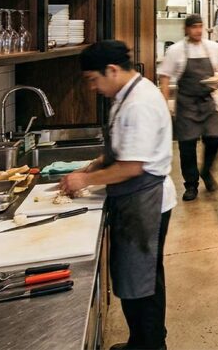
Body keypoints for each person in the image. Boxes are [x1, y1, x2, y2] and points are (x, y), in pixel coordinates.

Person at [61, 41, 176, 350]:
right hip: (137, 200)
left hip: (145, 202)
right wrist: (97, 163)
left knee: (143, 283)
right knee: (138, 279)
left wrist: (85, 180)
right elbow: (124, 149)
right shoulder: (128, 94)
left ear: (111, 70)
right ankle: (140, 340)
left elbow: (131, 167)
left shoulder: (139, 102)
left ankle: (150, 345)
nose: (92, 87)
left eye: (93, 80)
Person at [157, 14, 218, 202]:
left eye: (200, 26)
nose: (197, 30)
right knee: (187, 146)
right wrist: (164, 103)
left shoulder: (213, 48)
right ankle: (191, 185)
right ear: (186, 29)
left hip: (208, 100)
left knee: (214, 139)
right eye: (194, 27)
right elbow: (164, 76)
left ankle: (207, 172)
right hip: (186, 102)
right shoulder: (176, 50)